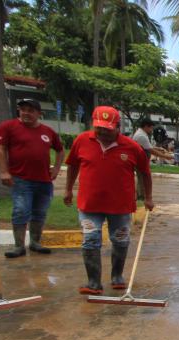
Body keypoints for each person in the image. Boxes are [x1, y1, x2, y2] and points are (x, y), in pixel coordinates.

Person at [64, 106, 152, 296]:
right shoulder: (82, 140)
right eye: (99, 128)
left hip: (119, 205)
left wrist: (148, 197)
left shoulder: (131, 147)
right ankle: (94, 282)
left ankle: (117, 276)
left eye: (107, 129)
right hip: (90, 204)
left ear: (118, 127)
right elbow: (72, 166)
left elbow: (145, 173)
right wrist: (68, 189)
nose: (103, 132)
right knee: (90, 239)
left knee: (120, 240)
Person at [0, 98, 65, 258]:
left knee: (40, 212)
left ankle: (35, 242)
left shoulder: (48, 131)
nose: (26, 113)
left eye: (31, 110)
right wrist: (4, 171)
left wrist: (56, 168)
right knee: (21, 210)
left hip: (44, 180)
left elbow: (60, 150)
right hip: (21, 178)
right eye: (23, 109)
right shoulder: (8, 127)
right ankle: (19, 246)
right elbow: (0, 148)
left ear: (39, 113)